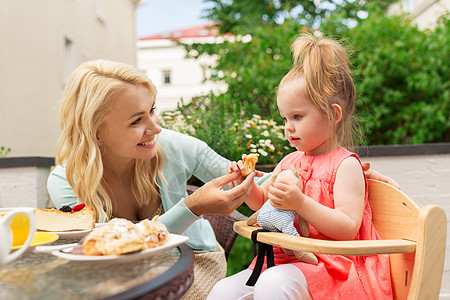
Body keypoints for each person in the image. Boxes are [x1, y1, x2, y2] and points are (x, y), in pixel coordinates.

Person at [47, 59, 257, 300]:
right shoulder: (67, 181)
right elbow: (101, 255)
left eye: (152, 110)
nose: (155, 128)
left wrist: (291, 175)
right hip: (114, 272)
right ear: (96, 133)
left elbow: (255, 183)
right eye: (136, 120)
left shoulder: (172, 146)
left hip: (194, 258)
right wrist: (192, 206)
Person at [208, 33, 393, 299]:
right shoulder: (289, 162)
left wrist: (301, 203)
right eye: (285, 118)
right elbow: (263, 205)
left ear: (333, 115)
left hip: (331, 265)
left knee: (273, 283)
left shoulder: (345, 165)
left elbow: (348, 227)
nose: (288, 127)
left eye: (297, 116)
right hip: (286, 260)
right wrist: (246, 186)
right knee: (222, 291)